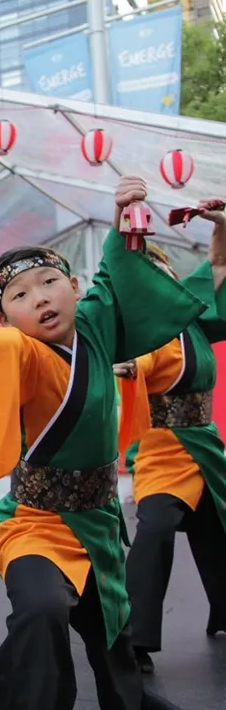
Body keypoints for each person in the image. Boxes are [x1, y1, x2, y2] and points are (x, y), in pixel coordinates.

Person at [0, 175, 205, 710]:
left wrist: (124, 218)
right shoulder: (19, 350)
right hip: (35, 523)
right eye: (19, 296)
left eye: (49, 282)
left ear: (73, 288)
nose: (40, 298)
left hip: (98, 518)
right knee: (43, 609)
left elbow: (115, 275)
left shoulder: (97, 327)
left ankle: (132, 703)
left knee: (111, 632)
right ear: (5, 319)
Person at [114, 226, 226, 674]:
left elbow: (217, 269)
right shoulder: (141, 333)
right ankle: (134, 637)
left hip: (205, 446)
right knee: (156, 529)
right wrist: (126, 366)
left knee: (217, 530)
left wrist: (221, 228)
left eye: (164, 275)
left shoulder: (194, 322)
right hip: (163, 449)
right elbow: (138, 359)